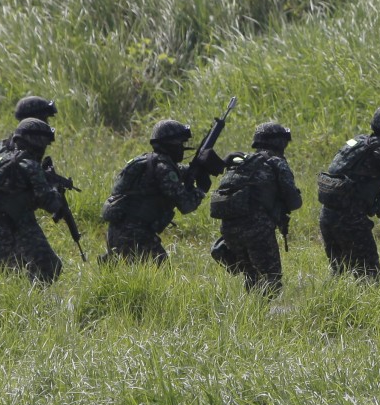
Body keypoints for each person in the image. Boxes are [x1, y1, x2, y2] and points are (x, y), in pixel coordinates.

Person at [0, 117, 64, 283]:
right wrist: (55, 190)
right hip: (0, 235)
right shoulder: (29, 164)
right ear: (37, 143)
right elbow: (51, 203)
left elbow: (10, 191)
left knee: (16, 278)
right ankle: (33, 307)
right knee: (36, 274)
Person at [317, 102, 380, 280]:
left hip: (328, 215)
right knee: (370, 275)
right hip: (351, 220)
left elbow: (372, 165)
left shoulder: (360, 141)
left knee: (339, 271)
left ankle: (328, 305)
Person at [209, 122, 302, 296]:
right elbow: (294, 202)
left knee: (251, 277)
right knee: (271, 280)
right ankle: (268, 318)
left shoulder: (242, 162)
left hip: (229, 231)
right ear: (279, 143)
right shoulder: (276, 163)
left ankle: (253, 313)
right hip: (257, 230)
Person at [100, 119, 206, 263]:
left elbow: (180, 172)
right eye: (180, 144)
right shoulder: (163, 168)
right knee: (162, 276)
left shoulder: (148, 161)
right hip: (135, 234)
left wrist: (197, 168)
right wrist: (201, 189)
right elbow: (186, 205)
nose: (182, 148)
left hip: (116, 232)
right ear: (170, 145)